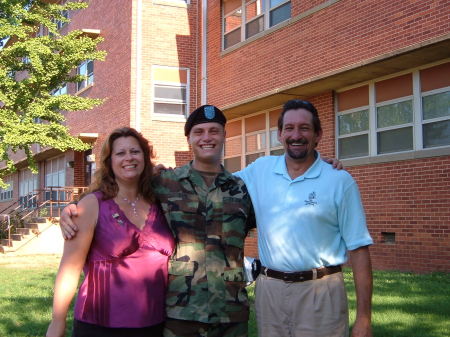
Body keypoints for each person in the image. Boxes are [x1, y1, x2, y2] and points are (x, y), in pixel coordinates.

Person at [60, 106, 256, 337]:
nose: (207, 138)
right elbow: (120, 187)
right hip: (180, 313)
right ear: (189, 139)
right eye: (199, 132)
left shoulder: (241, 188)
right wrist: (72, 208)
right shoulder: (166, 182)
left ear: (224, 135)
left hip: (231, 311)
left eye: (214, 131)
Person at [235, 99, 373, 337]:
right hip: (270, 292)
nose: (295, 135)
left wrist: (364, 320)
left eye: (304, 128)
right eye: (289, 128)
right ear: (279, 134)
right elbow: (213, 181)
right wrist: (165, 174)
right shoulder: (260, 170)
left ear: (318, 134)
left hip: (321, 293)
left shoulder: (339, 181)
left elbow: (359, 251)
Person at [46, 127, 174, 337]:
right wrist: (57, 322)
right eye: (120, 153)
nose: (129, 158)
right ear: (109, 161)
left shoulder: (162, 201)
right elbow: (69, 268)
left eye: (135, 151)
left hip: (154, 324)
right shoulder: (92, 205)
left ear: (144, 156)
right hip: (99, 325)